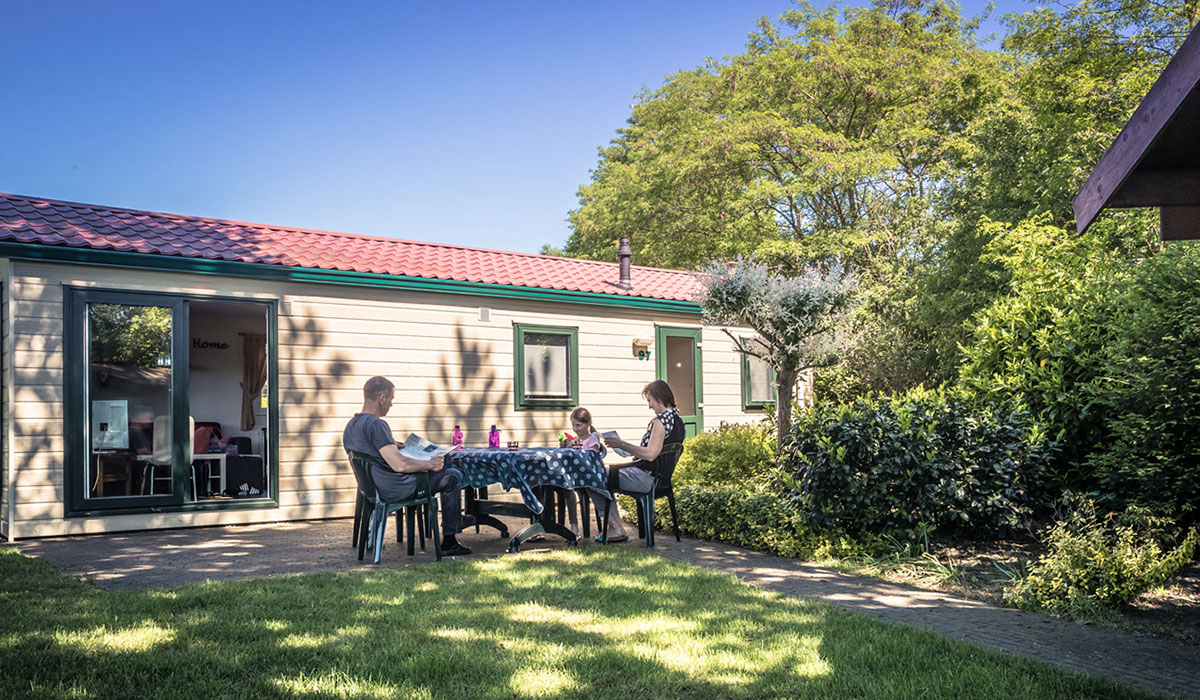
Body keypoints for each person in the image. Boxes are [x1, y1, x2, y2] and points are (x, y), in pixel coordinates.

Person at [343, 376, 474, 556]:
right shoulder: (377, 424)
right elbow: (399, 465)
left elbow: (370, 451)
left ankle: (455, 520)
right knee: (452, 476)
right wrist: (428, 464)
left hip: (372, 488)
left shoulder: (352, 425)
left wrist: (390, 444)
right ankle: (451, 538)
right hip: (395, 488)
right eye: (391, 400)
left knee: (446, 461)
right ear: (382, 398)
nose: (391, 404)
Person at [594, 380, 686, 542]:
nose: (649, 406)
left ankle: (616, 528)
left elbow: (650, 454)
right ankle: (615, 527)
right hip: (658, 478)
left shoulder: (660, 422)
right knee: (602, 474)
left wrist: (622, 444)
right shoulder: (678, 421)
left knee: (593, 477)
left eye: (650, 400)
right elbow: (655, 453)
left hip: (645, 478)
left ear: (659, 397)